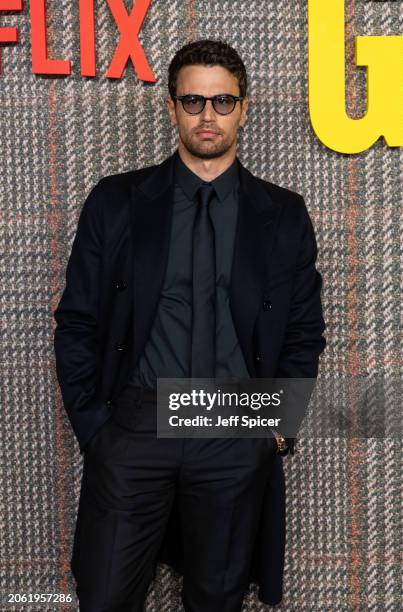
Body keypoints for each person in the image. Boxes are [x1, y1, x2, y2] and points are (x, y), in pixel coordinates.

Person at [54, 39, 326, 611]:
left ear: (244, 108)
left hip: (233, 427)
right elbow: (77, 320)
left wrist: (275, 430)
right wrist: (97, 433)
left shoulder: (282, 215)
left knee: (217, 599)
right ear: (172, 107)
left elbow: (303, 332)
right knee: (103, 596)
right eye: (194, 101)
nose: (208, 116)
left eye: (223, 102)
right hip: (134, 427)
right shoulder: (117, 201)